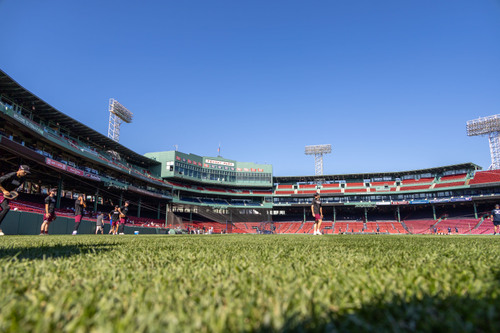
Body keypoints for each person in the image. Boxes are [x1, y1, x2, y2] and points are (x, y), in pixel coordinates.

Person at [0, 165, 30, 236]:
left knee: (6, 208)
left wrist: (13, 193)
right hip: (1, 193)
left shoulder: (22, 180)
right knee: (6, 208)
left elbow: (13, 188)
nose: (25, 174)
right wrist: (4, 191)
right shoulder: (11, 175)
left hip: (5, 195)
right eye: (24, 172)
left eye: (26, 173)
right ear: (19, 169)